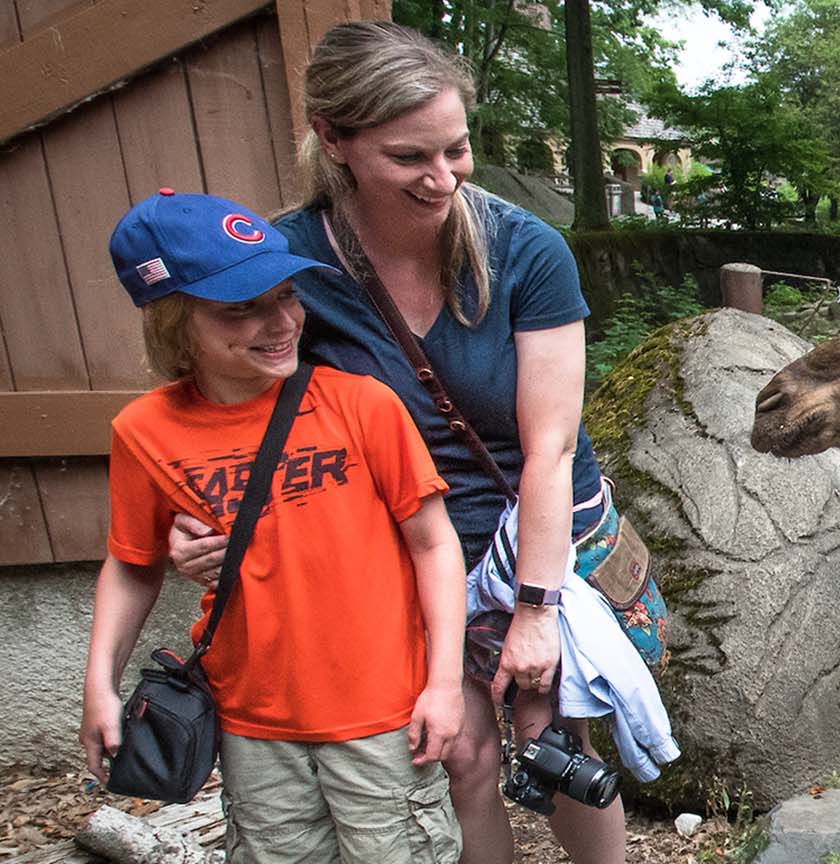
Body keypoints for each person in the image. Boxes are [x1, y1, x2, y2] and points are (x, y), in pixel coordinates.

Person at [167, 21, 630, 864]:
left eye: (456, 149)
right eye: (410, 156)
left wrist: (536, 611)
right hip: (400, 544)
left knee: (555, 739)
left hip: (528, 525)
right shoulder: (288, 261)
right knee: (460, 754)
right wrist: (195, 516)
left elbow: (550, 449)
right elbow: (235, 407)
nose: (443, 177)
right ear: (334, 140)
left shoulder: (526, 251)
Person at [81, 191, 467, 863]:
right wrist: (98, 687)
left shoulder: (360, 406)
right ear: (173, 323)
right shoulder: (144, 432)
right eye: (241, 309)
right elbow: (133, 563)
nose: (281, 321)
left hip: (384, 717)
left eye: (286, 295)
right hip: (253, 725)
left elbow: (434, 545)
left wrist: (443, 682)